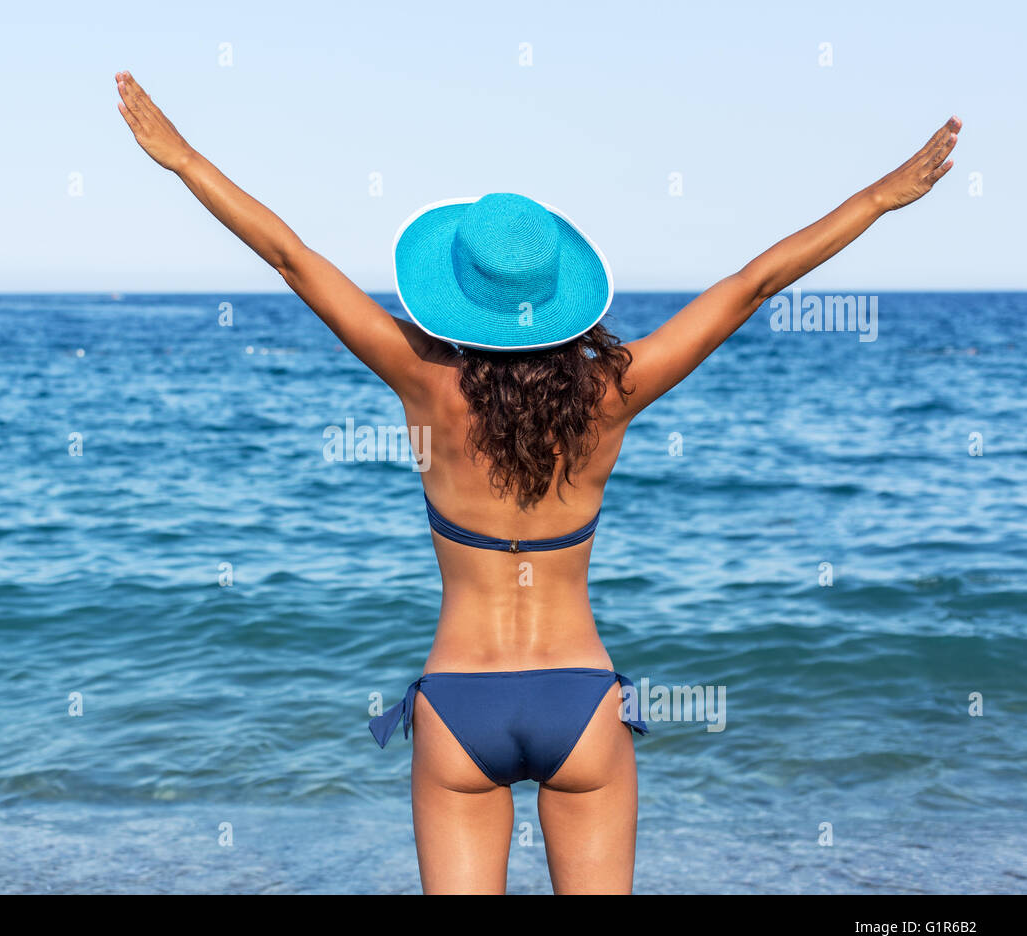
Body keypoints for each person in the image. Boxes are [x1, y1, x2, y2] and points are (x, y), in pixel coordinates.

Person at [115, 70, 959, 894]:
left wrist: (184, 159)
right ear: (557, 298)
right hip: (580, 705)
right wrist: (878, 199)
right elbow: (752, 286)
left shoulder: (425, 384)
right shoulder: (613, 393)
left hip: (458, 708)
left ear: (457, 299)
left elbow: (294, 260)